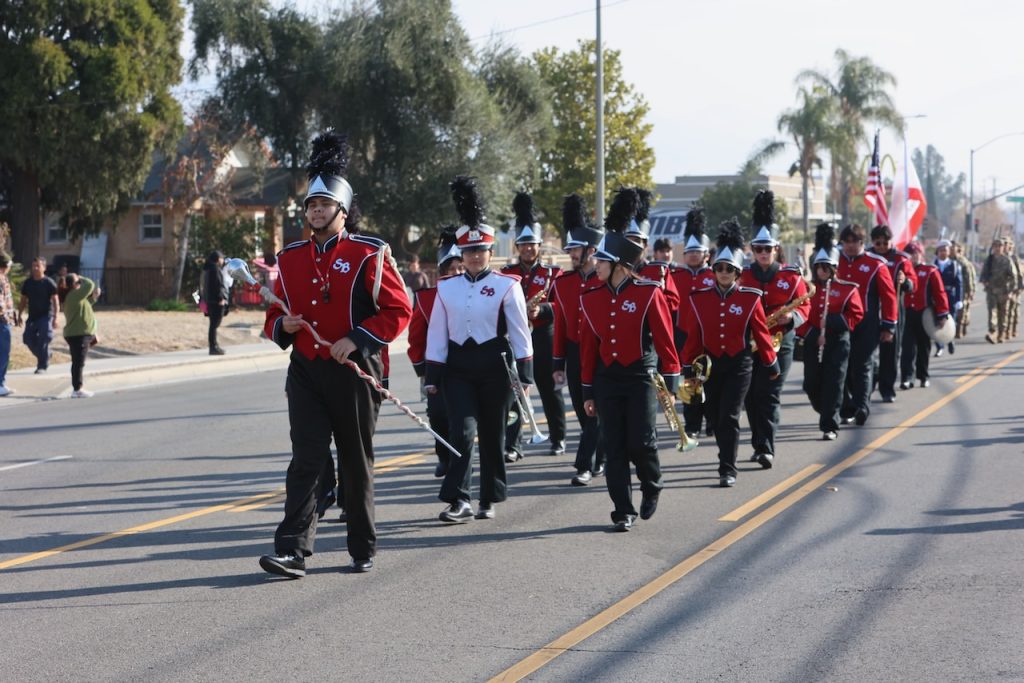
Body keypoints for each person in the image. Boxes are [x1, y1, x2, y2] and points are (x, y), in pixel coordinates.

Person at [258, 132, 412, 578]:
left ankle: (362, 545)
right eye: (311, 206)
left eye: (325, 205)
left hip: (354, 370)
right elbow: (274, 312)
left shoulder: (369, 253)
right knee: (306, 458)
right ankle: (292, 550)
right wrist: (280, 327)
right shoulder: (288, 258)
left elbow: (399, 309)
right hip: (305, 369)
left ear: (343, 212)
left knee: (354, 458)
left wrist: (359, 338)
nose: (317, 212)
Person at [426, 176, 534, 523]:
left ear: (490, 252)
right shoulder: (446, 288)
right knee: (462, 432)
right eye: (468, 251)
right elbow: (437, 334)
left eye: (480, 250)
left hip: (496, 368)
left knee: (492, 434)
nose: (474, 257)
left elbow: (519, 333)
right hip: (457, 369)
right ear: (462, 253)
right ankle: (460, 499)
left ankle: (490, 495)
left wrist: (526, 373)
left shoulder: (507, 286)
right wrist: (433, 375)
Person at [580, 228, 679, 531]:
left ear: (620, 265)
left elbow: (665, 341)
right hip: (607, 379)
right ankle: (623, 510)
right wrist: (588, 392)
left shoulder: (648, 292)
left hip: (641, 376)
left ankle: (652, 484)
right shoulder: (590, 298)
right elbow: (588, 349)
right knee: (614, 446)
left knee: (641, 442)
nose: (595, 264)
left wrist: (670, 385)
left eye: (602, 261)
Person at [679, 221, 779, 488]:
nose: (724, 273)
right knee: (713, 415)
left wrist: (770, 362)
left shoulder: (750, 298)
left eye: (729, 269)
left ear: (737, 273)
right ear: (713, 271)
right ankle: (725, 458)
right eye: (720, 268)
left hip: (739, 364)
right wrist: (688, 366)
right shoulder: (698, 299)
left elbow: (761, 334)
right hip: (711, 366)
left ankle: (727, 468)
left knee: (729, 416)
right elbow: (694, 335)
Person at [738, 190, 810, 468]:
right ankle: (759, 443)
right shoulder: (742, 276)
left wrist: (790, 320)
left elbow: (806, 308)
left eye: (768, 249)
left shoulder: (791, 276)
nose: (763, 254)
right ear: (751, 250)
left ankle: (766, 447)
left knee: (768, 393)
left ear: (776, 249)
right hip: (751, 343)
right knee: (750, 396)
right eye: (758, 249)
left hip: (781, 341)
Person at [501, 191, 566, 459]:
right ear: (517, 246)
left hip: (543, 337)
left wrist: (544, 309)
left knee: (550, 392)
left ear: (540, 245)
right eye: (524, 244)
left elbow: (562, 307)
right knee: (515, 393)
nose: (528, 248)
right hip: (516, 341)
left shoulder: (553, 274)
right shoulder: (505, 274)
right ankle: (513, 445)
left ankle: (558, 438)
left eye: (533, 244)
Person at [551, 194, 606, 486]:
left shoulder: (605, 281)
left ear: (591, 250)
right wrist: (558, 361)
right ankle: (600, 454)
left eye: (576, 249)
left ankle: (584, 465)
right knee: (583, 409)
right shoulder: (563, 283)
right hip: (574, 354)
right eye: (570, 249)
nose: (571, 254)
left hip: (601, 354)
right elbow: (560, 324)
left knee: (596, 410)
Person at [796, 224, 864, 440]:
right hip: (814, 340)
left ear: (834, 268)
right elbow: (798, 313)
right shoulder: (807, 289)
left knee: (834, 383)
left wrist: (834, 321)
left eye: (827, 267)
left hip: (838, 341)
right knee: (811, 384)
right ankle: (827, 409)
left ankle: (829, 425)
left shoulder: (847, 288)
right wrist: (809, 333)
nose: (822, 271)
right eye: (819, 267)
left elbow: (856, 314)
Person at [407, 227, 464, 478]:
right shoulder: (426, 299)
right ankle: (443, 456)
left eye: (461, 268)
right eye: (452, 268)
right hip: (438, 368)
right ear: (442, 271)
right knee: (439, 415)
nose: (458, 272)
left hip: (467, 367)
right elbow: (416, 338)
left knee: (463, 420)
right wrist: (422, 370)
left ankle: (461, 462)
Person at [836, 223, 897, 426]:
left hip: (867, 323)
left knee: (862, 366)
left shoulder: (876, 264)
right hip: (839, 323)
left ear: (863, 243)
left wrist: (888, 326)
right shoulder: (834, 262)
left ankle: (862, 407)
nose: (851, 246)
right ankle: (846, 408)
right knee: (842, 366)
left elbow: (889, 297)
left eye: (855, 242)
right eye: (847, 242)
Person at [670, 206, 716, 441]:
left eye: (698, 252)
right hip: (684, 335)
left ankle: (711, 421)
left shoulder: (715, 275)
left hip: (709, 335)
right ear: (684, 254)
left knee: (708, 379)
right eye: (690, 252)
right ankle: (693, 424)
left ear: (706, 254)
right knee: (688, 380)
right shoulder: (675, 275)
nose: (694, 256)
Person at [867, 224, 916, 403]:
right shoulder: (866, 257)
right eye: (877, 243)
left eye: (885, 242)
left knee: (890, 352)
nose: (881, 246)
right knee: (866, 352)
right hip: (870, 309)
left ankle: (887, 389)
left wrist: (905, 281)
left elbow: (913, 285)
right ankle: (868, 384)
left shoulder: (901, 259)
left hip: (894, 310)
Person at [900, 241, 950, 390]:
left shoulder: (930, 270)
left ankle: (923, 376)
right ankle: (906, 378)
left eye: (915, 253)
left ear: (921, 254)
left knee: (924, 347)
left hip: (925, 314)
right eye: (909, 254)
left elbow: (940, 293)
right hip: (907, 313)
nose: (913, 257)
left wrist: (942, 315)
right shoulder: (902, 271)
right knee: (907, 347)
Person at [627, 188, 681, 317]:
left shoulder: (659, 270)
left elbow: (673, 303)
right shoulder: (616, 271)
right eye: (628, 241)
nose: (632, 245)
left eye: (637, 241)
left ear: (645, 245)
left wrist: (657, 299)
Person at [18, 256, 60, 374]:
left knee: (44, 338)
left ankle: (42, 365)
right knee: (27, 339)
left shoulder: (49, 283)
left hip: (46, 316)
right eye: (33, 266)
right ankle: (47, 354)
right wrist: (19, 314)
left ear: (44, 268)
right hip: (32, 316)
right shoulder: (28, 283)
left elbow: (56, 300)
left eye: (38, 266)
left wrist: (56, 317)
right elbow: (23, 300)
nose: (35, 268)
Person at [62, 273, 101, 398]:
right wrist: (80, 277)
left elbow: (86, 305)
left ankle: (77, 388)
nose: (80, 284)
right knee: (78, 362)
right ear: (74, 285)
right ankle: (77, 389)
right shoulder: (74, 294)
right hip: (78, 334)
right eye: (78, 282)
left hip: (79, 334)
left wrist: (94, 297)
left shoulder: (76, 297)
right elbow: (90, 284)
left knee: (78, 361)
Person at [979, 237, 1015, 343]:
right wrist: (985, 281)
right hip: (991, 291)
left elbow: (1014, 277)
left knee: (1002, 314)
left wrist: (1010, 292)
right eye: (995, 246)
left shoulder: (1007, 260)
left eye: (1000, 246)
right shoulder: (989, 260)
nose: (997, 248)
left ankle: (1001, 334)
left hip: (1003, 292)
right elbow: (983, 273)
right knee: (992, 312)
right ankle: (992, 332)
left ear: (1003, 247)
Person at [932, 239, 962, 356]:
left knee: (950, 322)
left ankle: (950, 341)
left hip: (950, 296)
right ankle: (939, 347)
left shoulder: (954, 265)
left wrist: (959, 300)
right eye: (940, 250)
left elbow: (959, 283)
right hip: (936, 298)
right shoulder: (933, 265)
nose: (943, 252)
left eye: (945, 250)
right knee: (937, 323)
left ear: (949, 252)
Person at [203, 250, 230, 355]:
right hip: (216, 302)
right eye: (222, 258)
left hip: (210, 301)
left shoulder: (208, 268)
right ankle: (213, 347)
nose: (223, 260)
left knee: (213, 324)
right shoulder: (215, 269)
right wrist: (221, 298)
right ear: (218, 259)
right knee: (214, 324)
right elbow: (217, 285)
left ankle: (214, 345)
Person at [0, 252, 19, 397]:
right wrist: (5, 317)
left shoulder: (3, 278)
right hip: (2, 322)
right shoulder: (0, 279)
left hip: (5, 320)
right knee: (3, 353)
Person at [950, 240, 976, 339]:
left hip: (963, 290)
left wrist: (970, 291)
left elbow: (969, 277)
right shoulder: (947, 261)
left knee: (962, 311)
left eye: (953, 248)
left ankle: (959, 329)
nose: (951, 250)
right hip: (951, 290)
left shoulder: (962, 262)